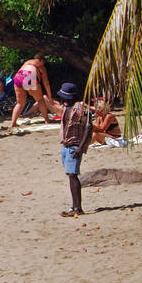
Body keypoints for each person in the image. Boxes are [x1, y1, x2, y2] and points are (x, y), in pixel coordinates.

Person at [57, 82, 93, 217]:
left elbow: (89, 128)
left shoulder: (81, 109)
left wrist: (81, 147)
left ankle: (77, 207)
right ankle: (75, 206)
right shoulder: (67, 108)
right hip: (66, 145)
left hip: (74, 145)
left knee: (73, 176)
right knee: (70, 175)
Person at [9, 53, 54, 128]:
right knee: (40, 100)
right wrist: (49, 96)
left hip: (18, 77)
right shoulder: (40, 65)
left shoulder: (27, 62)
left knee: (20, 103)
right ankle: (46, 120)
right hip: (29, 76)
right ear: (41, 60)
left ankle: (13, 123)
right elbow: (46, 83)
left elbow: (21, 72)